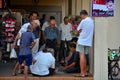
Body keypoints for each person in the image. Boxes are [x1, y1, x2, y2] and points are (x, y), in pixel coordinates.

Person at [76, 10, 94, 77]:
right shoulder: (92, 21)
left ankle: (82, 73)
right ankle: (85, 72)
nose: (81, 17)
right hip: (88, 41)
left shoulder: (83, 21)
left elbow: (77, 30)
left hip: (81, 41)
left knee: (81, 56)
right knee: (85, 56)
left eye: (81, 16)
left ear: (83, 14)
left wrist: (78, 33)